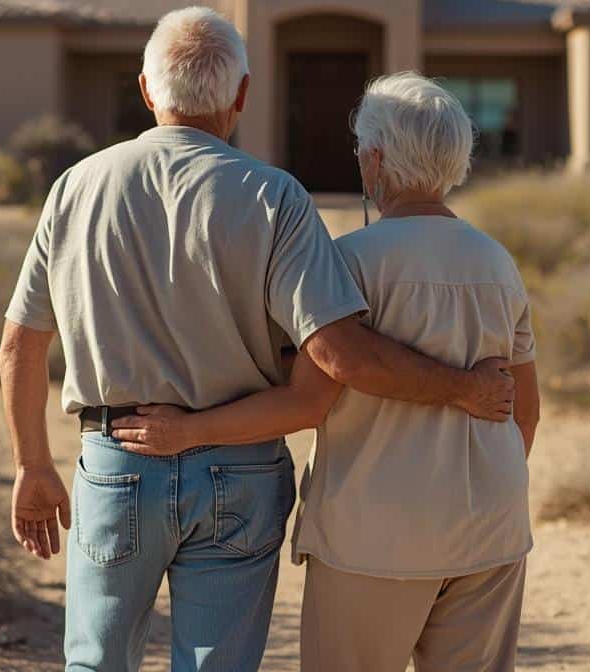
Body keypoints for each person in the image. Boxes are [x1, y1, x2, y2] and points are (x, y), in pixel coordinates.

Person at [0, 10, 516, 672]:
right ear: (241, 95)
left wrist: (32, 465)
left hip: (116, 460)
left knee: (96, 663)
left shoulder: (76, 188)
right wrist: (466, 389)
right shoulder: (276, 197)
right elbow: (334, 361)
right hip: (237, 472)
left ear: (147, 90)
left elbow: (20, 345)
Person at [115, 71, 541, 672]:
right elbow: (526, 411)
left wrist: (186, 431)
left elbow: (304, 402)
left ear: (375, 160)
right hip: (492, 530)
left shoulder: (345, 264)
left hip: (373, 536)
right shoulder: (499, 263)